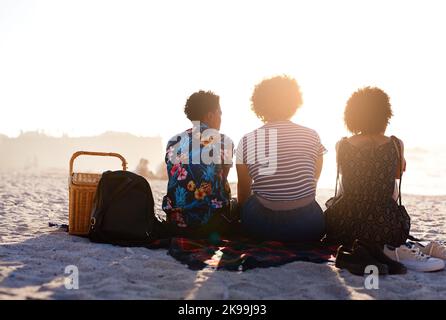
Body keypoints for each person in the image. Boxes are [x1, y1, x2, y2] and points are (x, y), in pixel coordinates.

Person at [325, 86, 445, 274]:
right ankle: (419, 249)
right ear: (385, 114)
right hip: (385, 226)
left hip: (345, 225)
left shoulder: (342, 145)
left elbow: (343, 182)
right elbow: (395, 181)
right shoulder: (396, 144)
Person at [236, 75, 326, 242]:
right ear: (294, 103)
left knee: (246, 201)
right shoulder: (311, 135)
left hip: (262, 226)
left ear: (259, 105)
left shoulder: (247, 140)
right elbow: (314, 175)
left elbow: (243, 190)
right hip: (309, 225)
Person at [156, 90, 236, 240]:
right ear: (210, 115)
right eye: (219, 113)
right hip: (210, 222)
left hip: (176, 221)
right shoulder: (224, 141)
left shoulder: (173, 141)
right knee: (237, 203)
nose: (221, 117)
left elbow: (175, 179)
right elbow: (222, 180)